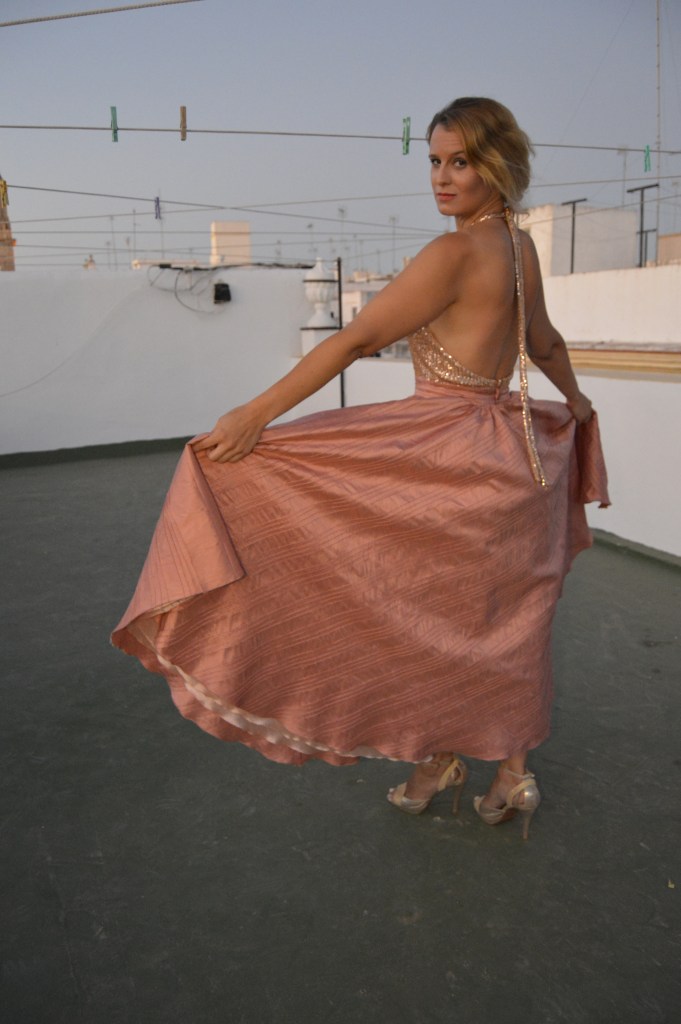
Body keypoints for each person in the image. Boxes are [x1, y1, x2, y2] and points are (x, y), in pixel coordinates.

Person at [112, 96, 609, 840]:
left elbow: (353, 342)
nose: (441, 178)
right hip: (512, 459)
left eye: (460, 162)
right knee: (491, 622)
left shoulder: (451, 254)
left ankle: (448, 759)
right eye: (434, 161)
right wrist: (575, 402)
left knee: (417, 615)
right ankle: (503, 770)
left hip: (446, 456)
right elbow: (543, 341)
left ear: (496, 164)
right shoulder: (519, 245)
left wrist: (255, 415)